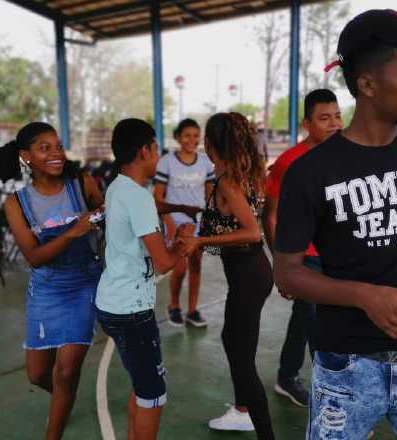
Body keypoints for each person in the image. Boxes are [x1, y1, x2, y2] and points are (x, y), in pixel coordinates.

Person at [272, 10, 397, 439]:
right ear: (367, 84)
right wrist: (364, 296)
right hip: (347, 366)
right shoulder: (310, 172)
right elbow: (287, 274)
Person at [0, 122, 104, 440]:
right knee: (37, 375)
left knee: (66, 370)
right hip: (47, 287)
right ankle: (66, 395)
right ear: (25, 156)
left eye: (58, 146)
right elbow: (34, 257)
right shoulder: (16, 203)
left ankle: (57, 420)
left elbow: (106, 216)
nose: (56, 153)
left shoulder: (82, 184)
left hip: (85, 282)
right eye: (45, 148)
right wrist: (74, 230)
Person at [96, 118, 193, 440]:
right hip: (130, 310)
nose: (158, 156)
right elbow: (164, 262)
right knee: (153, 393)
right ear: (144, 151)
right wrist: (184, 243)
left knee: (141, 384)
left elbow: (144, 250)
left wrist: (173, 239)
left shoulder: (118, 187)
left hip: (114, 302)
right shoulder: (137, 196)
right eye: (155, 149)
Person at [180, 112, 275, 439]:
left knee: (243, 360)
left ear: (209, 144)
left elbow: (250, 232)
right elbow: (230, 229)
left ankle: (262, 431)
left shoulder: (229, 181)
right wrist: (201, 237)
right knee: (231, 341)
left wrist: (202, 240)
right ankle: (241, 410)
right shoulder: (238, 174)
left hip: (249, 274)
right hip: (249, 272)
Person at [262, 89, 342, 407]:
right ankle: (330, 395)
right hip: (303, 253)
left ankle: (287, 376)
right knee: (314, 319)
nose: (334, 124)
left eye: (337, 116)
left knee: (317, 317)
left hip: (336, 250)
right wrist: (280, 264)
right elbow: (269, 213)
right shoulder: (288, 162)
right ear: (306, 122)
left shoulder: (345, 152)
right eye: (324, 119)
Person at [154, 118, 214, 328]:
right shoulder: (167, 161)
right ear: (178, 137)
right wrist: (170, 224)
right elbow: (158, 197)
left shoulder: (205, 162)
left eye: (196, 135)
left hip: (198, 221)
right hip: (177, 221)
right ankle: (174, 306)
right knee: (180, 268)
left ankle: (192, 310)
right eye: (187, 135)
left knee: (196, 265)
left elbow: (209, 194)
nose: (192, 140)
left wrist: (209, 219)